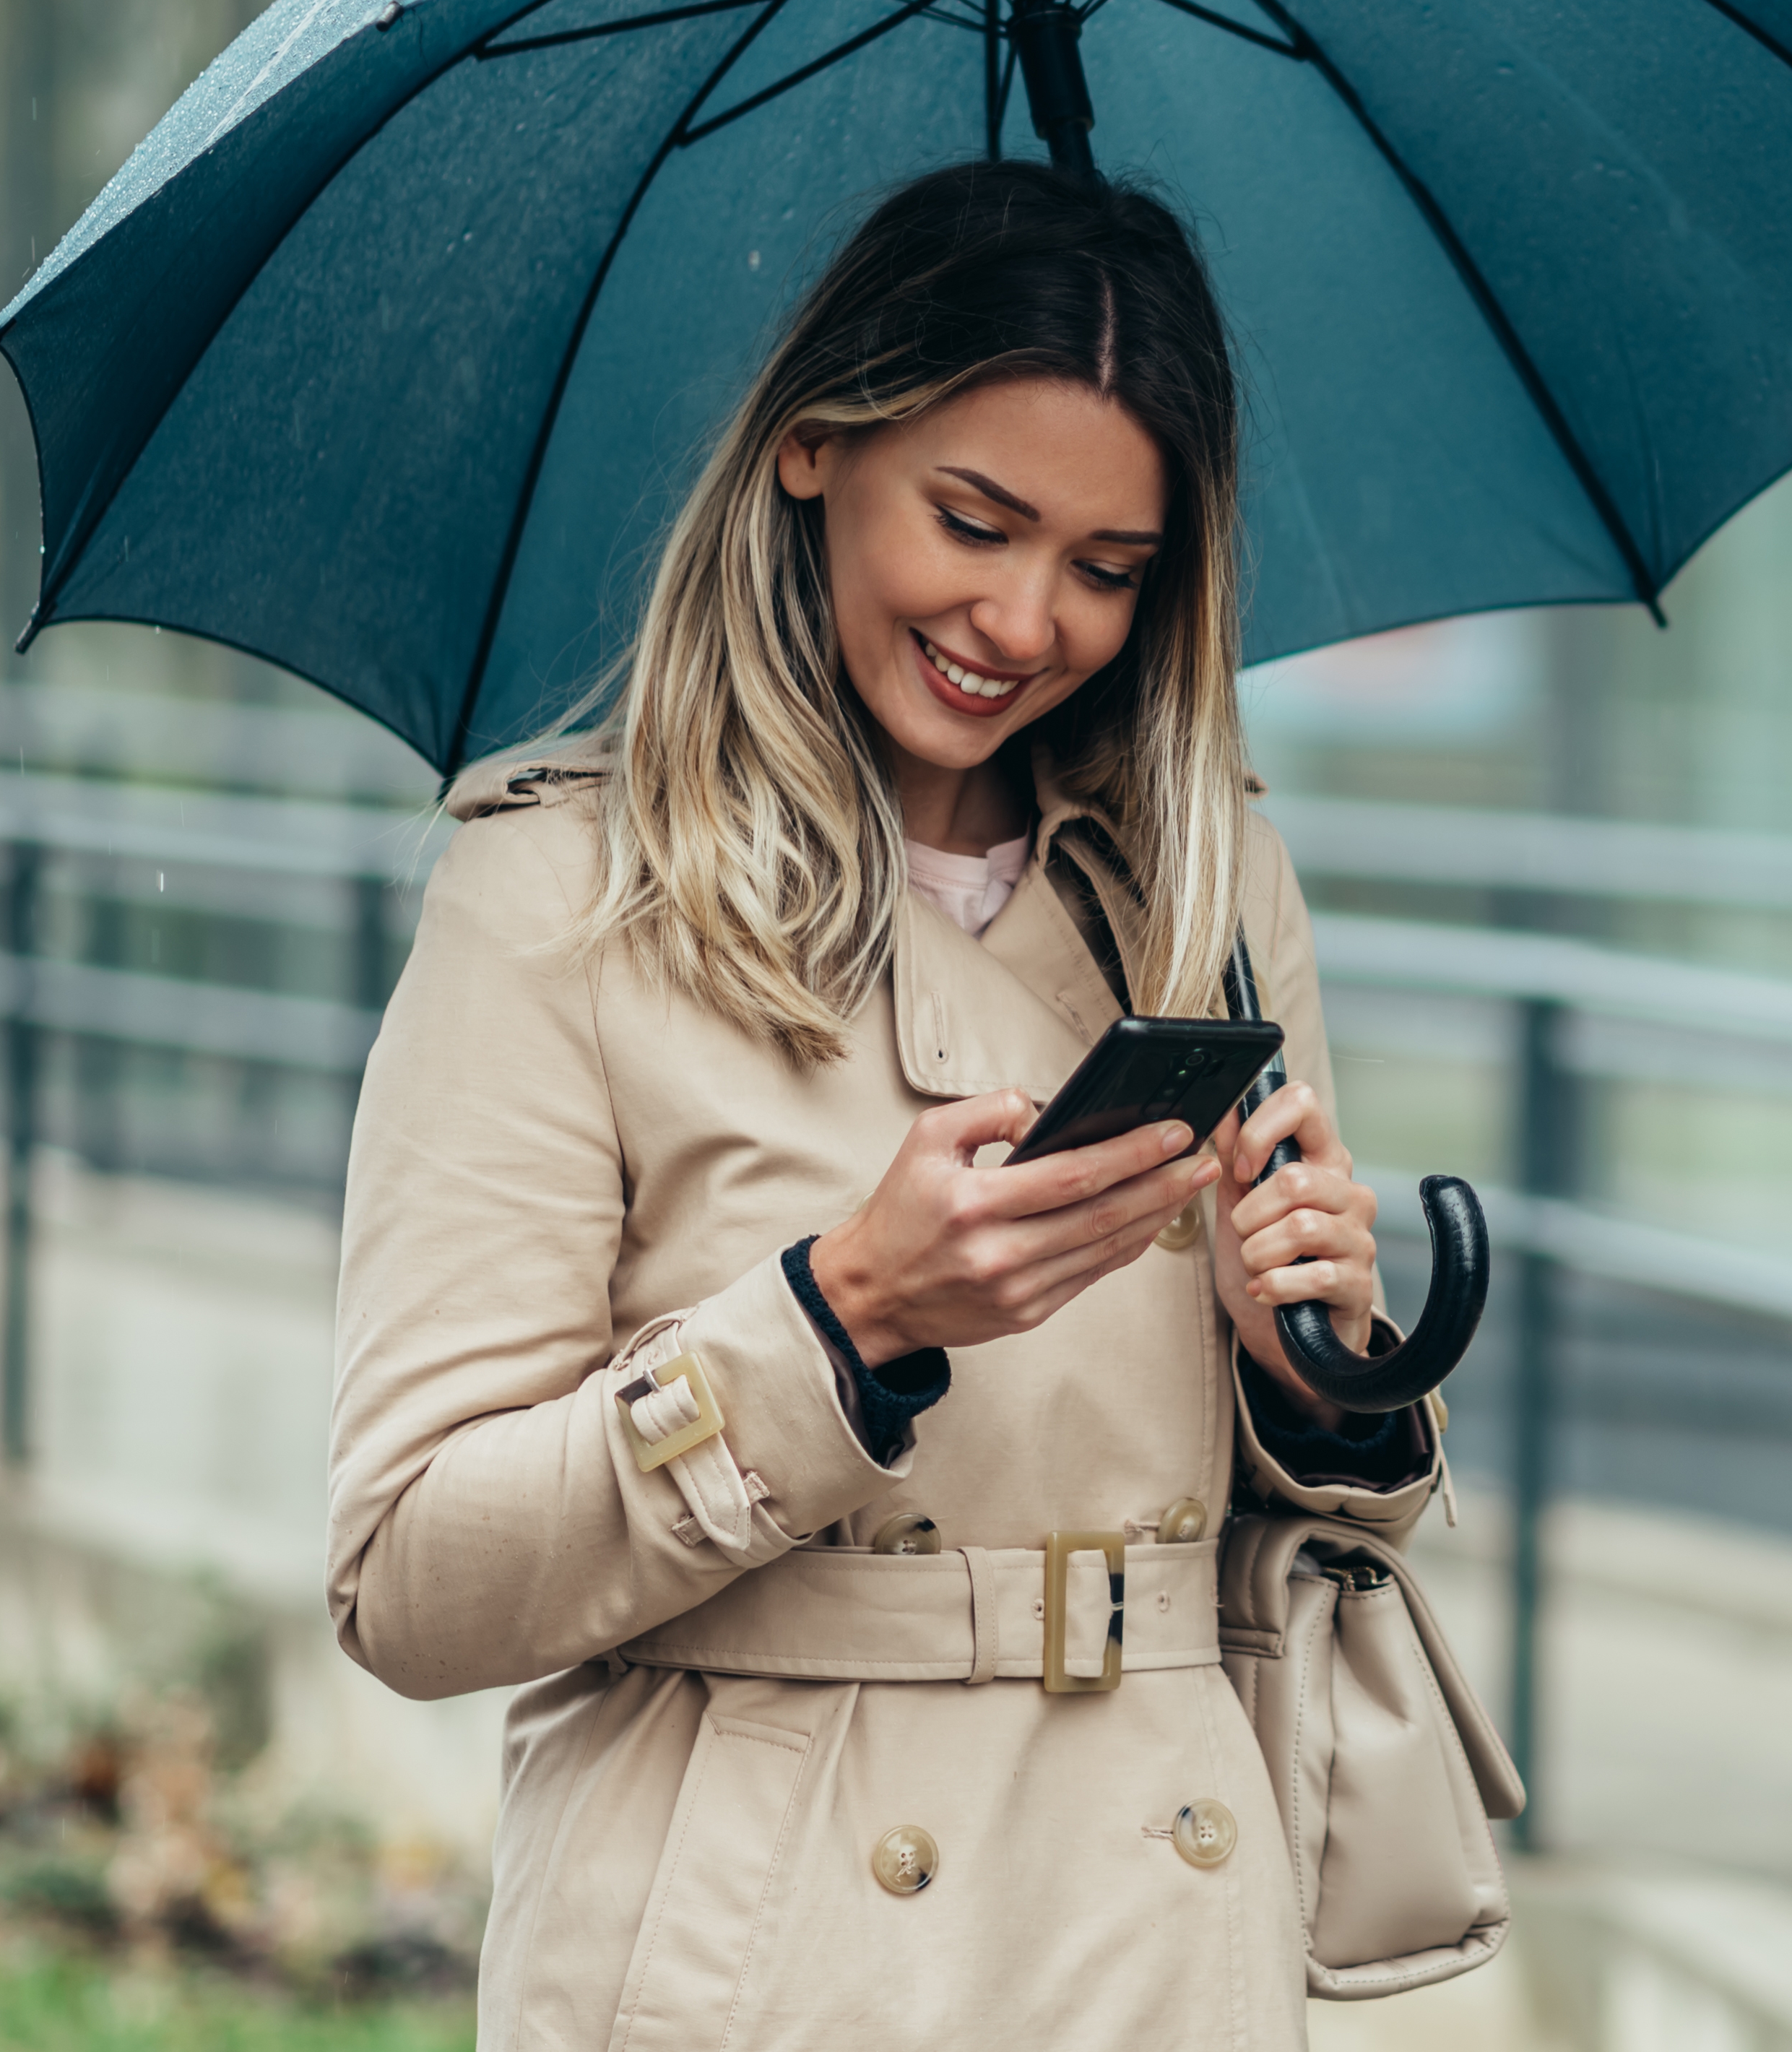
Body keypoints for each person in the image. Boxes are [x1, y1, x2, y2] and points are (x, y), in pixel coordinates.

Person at [326, 160, 1432, 2048]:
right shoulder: (561, 897)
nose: (1025, 619)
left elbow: (1293, 1528)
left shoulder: (1209, 888)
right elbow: (412, 1579)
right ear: (816, 447)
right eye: (976, 521)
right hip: (767, 1949)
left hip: (1162, 1938)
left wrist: (1315, 1362)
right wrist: (836, 1321)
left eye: (1109, 567)